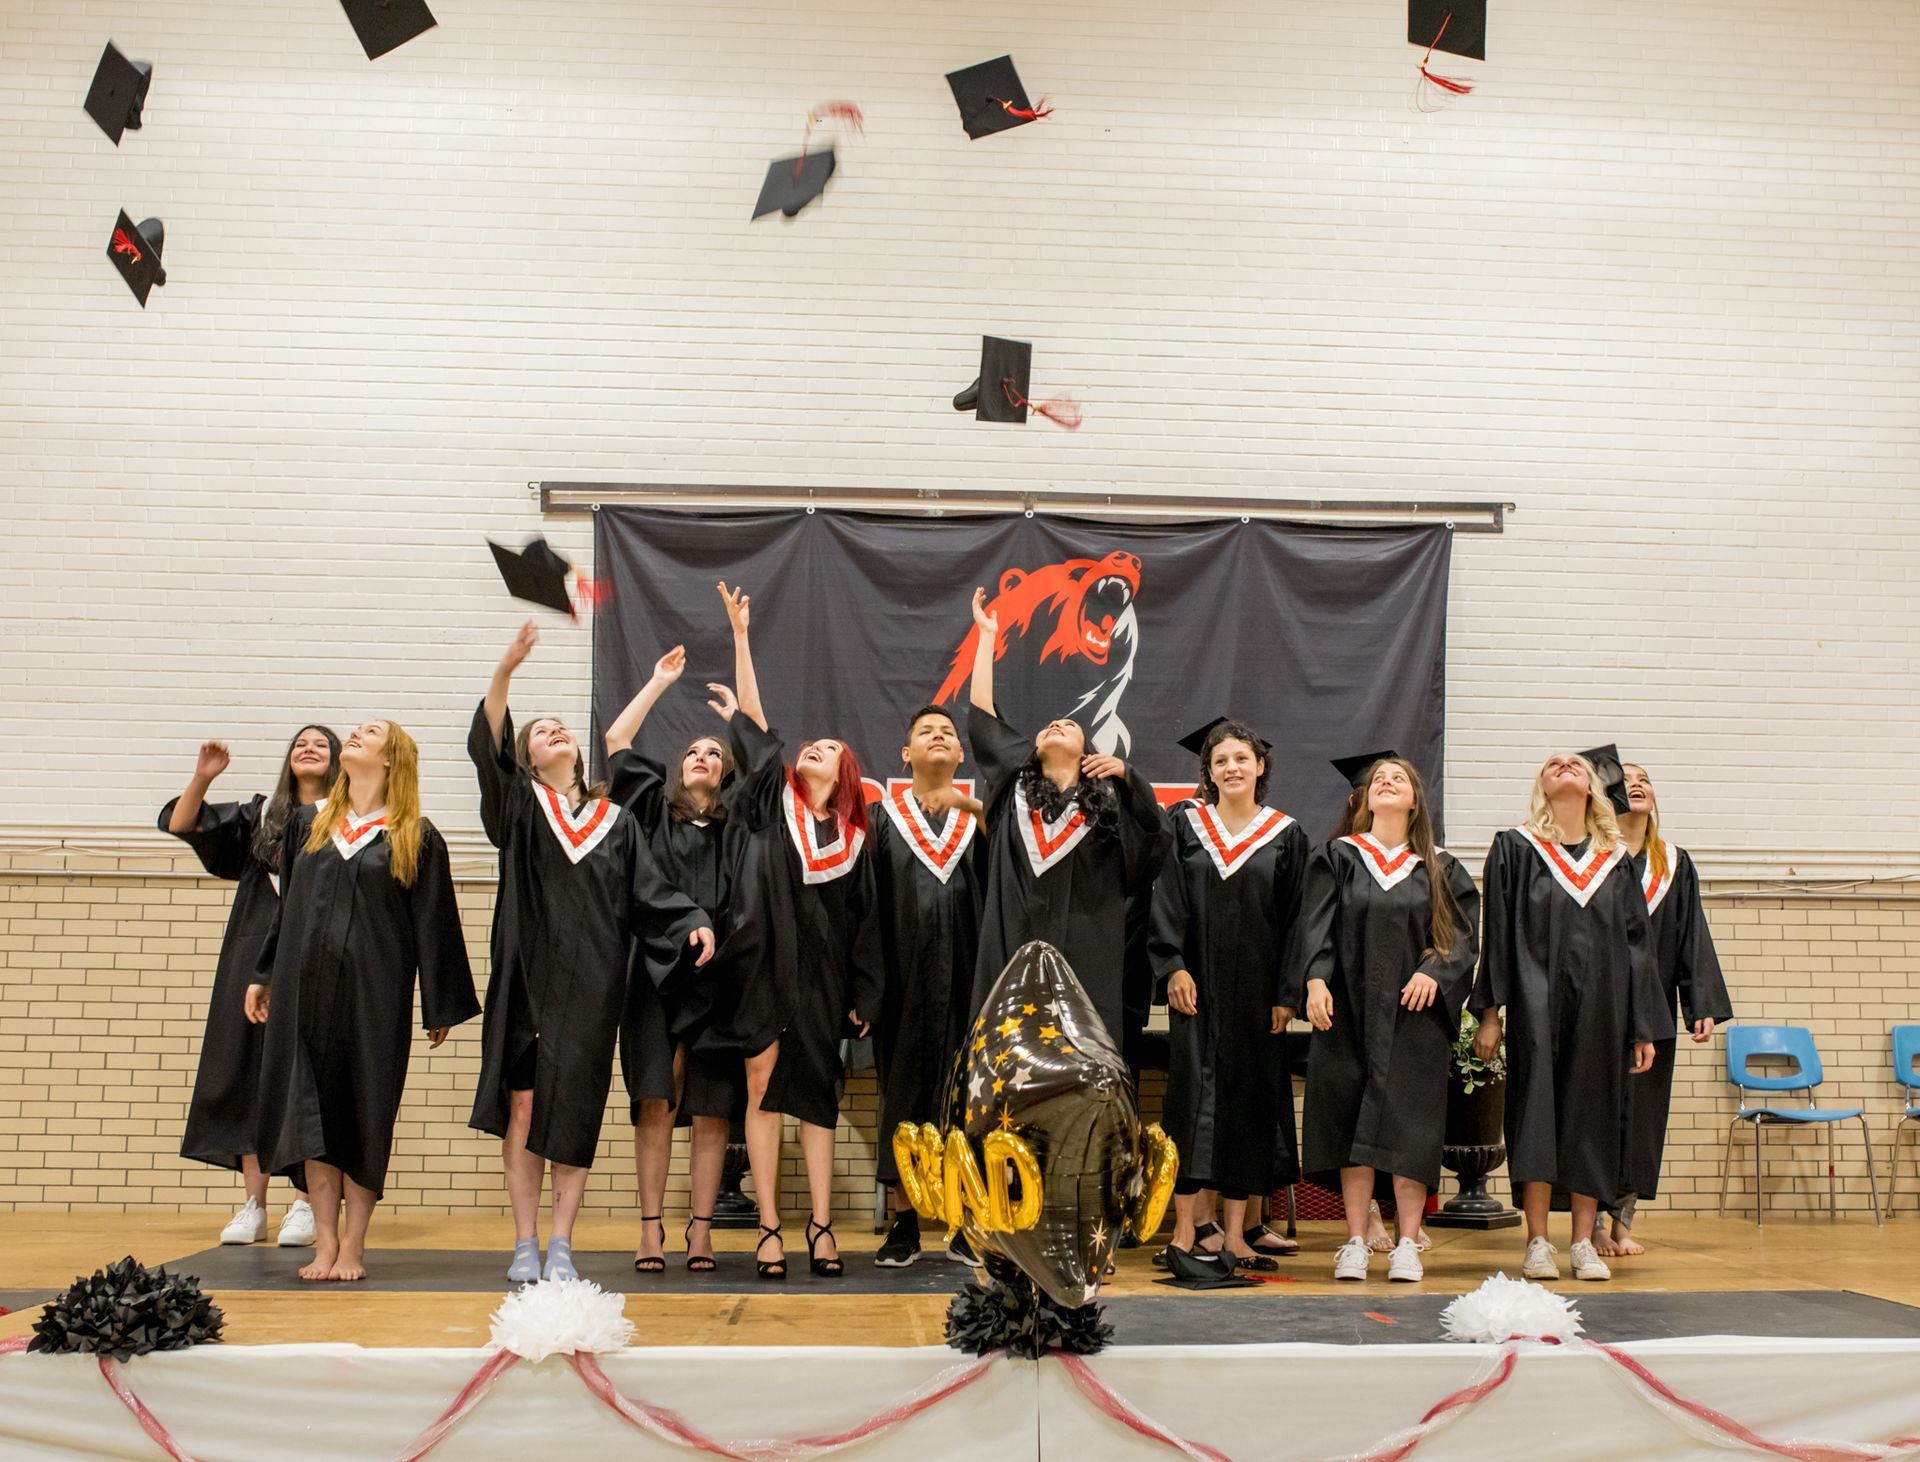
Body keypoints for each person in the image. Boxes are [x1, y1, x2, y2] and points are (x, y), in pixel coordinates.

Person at [469, 623, 716, 1283]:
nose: (554, 732)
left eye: (561, 728)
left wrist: (693, 918)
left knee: (574, 1109)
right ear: (525, 758)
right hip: (527, 979)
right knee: (523, 1106)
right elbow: (487, 753)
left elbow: (650, 894)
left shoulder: (617, 823)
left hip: (592, 988)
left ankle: (560, 1245)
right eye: (538, 731)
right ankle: (524, 1242)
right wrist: (506, 671)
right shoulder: (520, 807)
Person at [246, 720, 479, 1282]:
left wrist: (438, 1004)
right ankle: (323, 1244)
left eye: (368, 732)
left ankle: (354, 1245)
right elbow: (287, 909)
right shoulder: (308, 824)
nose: (352, 735)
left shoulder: (415, 836)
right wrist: (265, 973)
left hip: (375, 996)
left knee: (365, 1114)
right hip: (305, 992)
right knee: (312, 1118)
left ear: (392, 758)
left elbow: (434, 922)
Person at [703, 581, 883, 1281]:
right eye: (810, 744)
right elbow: (754, 725)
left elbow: (865, 922)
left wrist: (864, 991)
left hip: (821, 975)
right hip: (759, 964)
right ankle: (771, 1229)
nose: (813, 748)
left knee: (816, 1097)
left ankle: (821, 1225)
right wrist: (742, 636)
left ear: (846, 772)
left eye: (828, 747)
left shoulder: (854, 839)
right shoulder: (766, 803)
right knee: (760, 1086)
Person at [1475, 752, 1663, 1283]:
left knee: (1592, 1119)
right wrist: (1490, 1012)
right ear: (1541, 785)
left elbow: (1637, 948)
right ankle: (1537, 1241)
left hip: (1603, 1009)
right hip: (1536, 1007)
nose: (1564, 764)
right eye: (1552, 763)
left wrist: (1641, 1025)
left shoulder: (1615, 860)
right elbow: (1497, 937)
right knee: (1535, 1117)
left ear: (1591, 788)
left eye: (1575, 764)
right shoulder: (1514, 848)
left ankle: (1582, 1242)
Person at [1294, 756, 1480, 1284]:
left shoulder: (1441, 867)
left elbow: (1462, 938)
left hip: (1413, 1016)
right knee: (1351, 1119)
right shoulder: (1339, 856)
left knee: (1409, 1128)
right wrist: (1313, 981)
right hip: (1347, 1010)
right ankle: (1353, 1241)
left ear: (1415, 801)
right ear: (1366, 799)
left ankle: (1406, 1245)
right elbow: (1317, 926)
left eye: (1399, 778)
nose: (1387, 782)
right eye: (1379, 779)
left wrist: (1435, 973)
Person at [964, 586, 1172, 1046]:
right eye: (1049, 725)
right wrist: (986, 636)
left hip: (1087, 956)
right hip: (1012, 945)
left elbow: (1155, 841)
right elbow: (981, 716)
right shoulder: (1013, 785)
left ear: (1090, 751)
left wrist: (1129, 776)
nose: (1057, 724)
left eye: (1071, 724)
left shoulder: (1111, 804)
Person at [161, 726, 339, 1248]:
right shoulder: (262, 817)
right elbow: (182, 822)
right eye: (300, 743)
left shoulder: (344, 822)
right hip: (251, 957)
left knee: (304, 1076)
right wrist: (203, 777)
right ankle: (254, 1205)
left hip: (314, 956)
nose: (308, 748)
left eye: (321, 744)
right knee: (248, 1074)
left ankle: (305, 1205)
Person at [604, 644, 749, 1274]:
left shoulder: (740, 823)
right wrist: (660, 681)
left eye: (716, 753)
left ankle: (700, 1229)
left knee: (714, 1108)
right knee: (655, 1101)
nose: (704, 758)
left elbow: (765, 761)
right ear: (676, 766)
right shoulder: (645, 813)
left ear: (727, 774)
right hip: (653, 973)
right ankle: (651, 1228)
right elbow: (615, 737)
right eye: (694, 751)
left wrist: (740, 716)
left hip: (720, 978)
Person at [1150, 718, 1309, 1278]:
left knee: (1247, 1106)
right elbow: (1167, 903)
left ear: (1260, 766)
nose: (1232, 767)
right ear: (1209, 772)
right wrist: (1171, 966)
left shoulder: (1285, 836)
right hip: (1196, 991)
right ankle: (1186, 1230)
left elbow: (1299, 922)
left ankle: (1237, 1234)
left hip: (1259, 995)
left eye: (1242, 757)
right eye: (1221, 761)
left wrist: (1288, 992)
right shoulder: (1188, 830)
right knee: (1190, 1104)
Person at [1595, 761, 1733, 1257]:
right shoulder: (1592, 858)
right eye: (1626, 779)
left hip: (1653, 1011)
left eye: (1645, 779)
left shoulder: (1673, 862)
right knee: (1594, 1112)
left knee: (1643, 1116)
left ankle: (1622, 1219)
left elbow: (1691, 934)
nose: (1636, 784)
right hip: (1598, 1006)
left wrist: (1701, 1003)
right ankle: (1588, 1223)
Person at [869, 705, 987, 1268]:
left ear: (961, 755)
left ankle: (964, 1221)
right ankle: (904, 1221)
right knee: (905, 1094)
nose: (938, 737)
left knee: (966, 1098)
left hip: (969, 980)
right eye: (925, 732)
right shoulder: (881, 819)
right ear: (905, 754)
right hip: (901, 980)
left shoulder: (978, 822)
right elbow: (865, 908)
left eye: (948, 733)